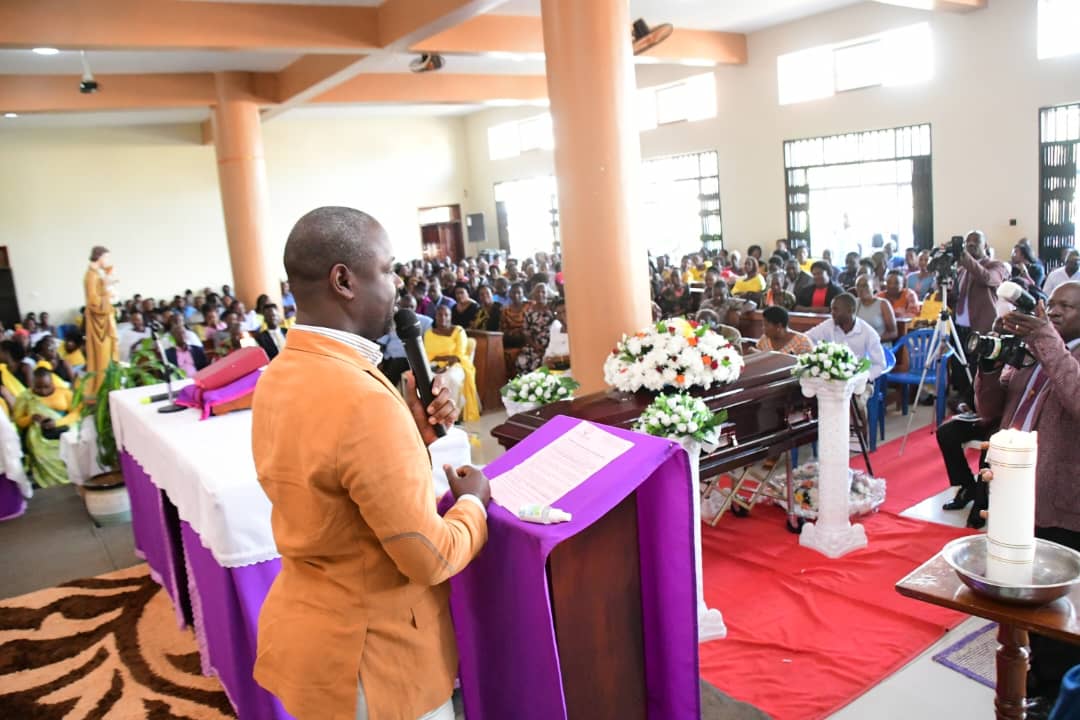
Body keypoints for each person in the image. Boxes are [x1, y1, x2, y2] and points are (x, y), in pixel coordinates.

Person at [251, 207, 488, 720]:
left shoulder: (280, 373)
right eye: (387, 269)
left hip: (313, 636)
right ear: (344, 280)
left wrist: (410, 436)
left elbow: (338, 482)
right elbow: (427, 556)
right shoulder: (360, 397)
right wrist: (474, 505)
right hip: (374, 660)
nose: (398, 285)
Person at [975, 282, 1080, 713]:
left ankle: (1058, 694)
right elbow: (989, 410)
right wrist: (988, 363)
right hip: (1014, 491)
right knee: (1018, 588)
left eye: (1067, 307)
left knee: (1055, 604)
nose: (1054, 312)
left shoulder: (1055, 350)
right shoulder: (1035, 350)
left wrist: (1045, 339)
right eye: (1051, 304)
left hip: (1061, 498)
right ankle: (1029, 674)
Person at [951, 230, 1009, 401]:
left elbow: (987, 278)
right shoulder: (961, 269)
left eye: (976, 241)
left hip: (981, 327)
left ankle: (976, 403)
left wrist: (965, 258)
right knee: (960, 367)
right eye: (968, 241)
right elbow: (957, 295)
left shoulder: (997, 266)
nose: (971, 244)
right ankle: (963, 400)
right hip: (960, 326)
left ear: (986, 245)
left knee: (978, 368)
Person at [15, 367, 77, 487]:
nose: (43, 391)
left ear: (52, 383)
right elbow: (19, 421)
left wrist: (58, 423)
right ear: (32, 384)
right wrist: (31, 418)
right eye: (38, 387)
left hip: (64, 430)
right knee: (40, 452)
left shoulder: (65, 393)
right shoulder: (25, 397)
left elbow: (76, 413)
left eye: (46, 386)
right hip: (39, 437)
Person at [806, 293, 887, 380]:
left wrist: (863, 378)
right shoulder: (829, 324)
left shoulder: (868, 333)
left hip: (858, 378)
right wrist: (818, 355)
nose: (832, 313)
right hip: (830, 377)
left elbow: (880, 364)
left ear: (850, 310)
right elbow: (806, 338)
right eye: (832, 309)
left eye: (835, 309)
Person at [425, 305, 481, 422]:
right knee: (423, 376)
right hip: (433, 363)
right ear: (435, 316)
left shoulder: (458, 331)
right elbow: (428, 355)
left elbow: (458, 355)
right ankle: (431, 411)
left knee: (451, 377)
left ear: (451, 316)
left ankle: (452, 415)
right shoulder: (429, 333)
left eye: (446, 315)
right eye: (440, 315)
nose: (443, 318)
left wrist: (445, 364)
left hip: (457, 364)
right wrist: (441, 360)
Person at [84, 246, 119, 394]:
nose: (107, 261)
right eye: (106, 257)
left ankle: (112, 386)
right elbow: (93, 301)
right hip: (100, 323)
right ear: (99, 257)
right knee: (103, 359)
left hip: (105, 319)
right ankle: (103, 390)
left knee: (109, 356)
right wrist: (108, 296)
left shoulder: (97, 274)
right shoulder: (91, 275)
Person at [516, 285, 556, 373]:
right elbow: (526, 332)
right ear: (533, 295)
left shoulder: (552, 309)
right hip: (534, 344)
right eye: (537, 292)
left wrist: (547, 346)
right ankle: (529, 385)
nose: (540, 294)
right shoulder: (529, 312)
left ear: (547, 294)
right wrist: (535, 346)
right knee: (521, 361)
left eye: (543, 292)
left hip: (551, 344)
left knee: (544, 361)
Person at [854, 275, 898, 342]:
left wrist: (873, 340)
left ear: (873, 287)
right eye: (858, 286)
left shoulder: (883, 304)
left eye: (865, 285)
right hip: (859, 344)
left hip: (879, 344)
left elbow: (893, 333)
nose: (861, 289)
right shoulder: (854, 303)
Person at [542, 299, 570, 371]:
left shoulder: (578, 330)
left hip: (569, 367)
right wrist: (546, 359)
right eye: (558, 313)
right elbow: (550, 349)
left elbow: (578, 356)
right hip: (554, 366)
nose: (561, 316)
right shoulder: (555, 327)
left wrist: (559, 359)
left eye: (564, 311)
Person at [500, 283, 529, 350]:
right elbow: (503, 328)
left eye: (519, 292)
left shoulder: (529, 306)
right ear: (509, 294)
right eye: (513, 292)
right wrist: (511, 333)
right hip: (510, 338)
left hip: (526, 337)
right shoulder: (505, 310)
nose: (516, 295)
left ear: (523, 294)